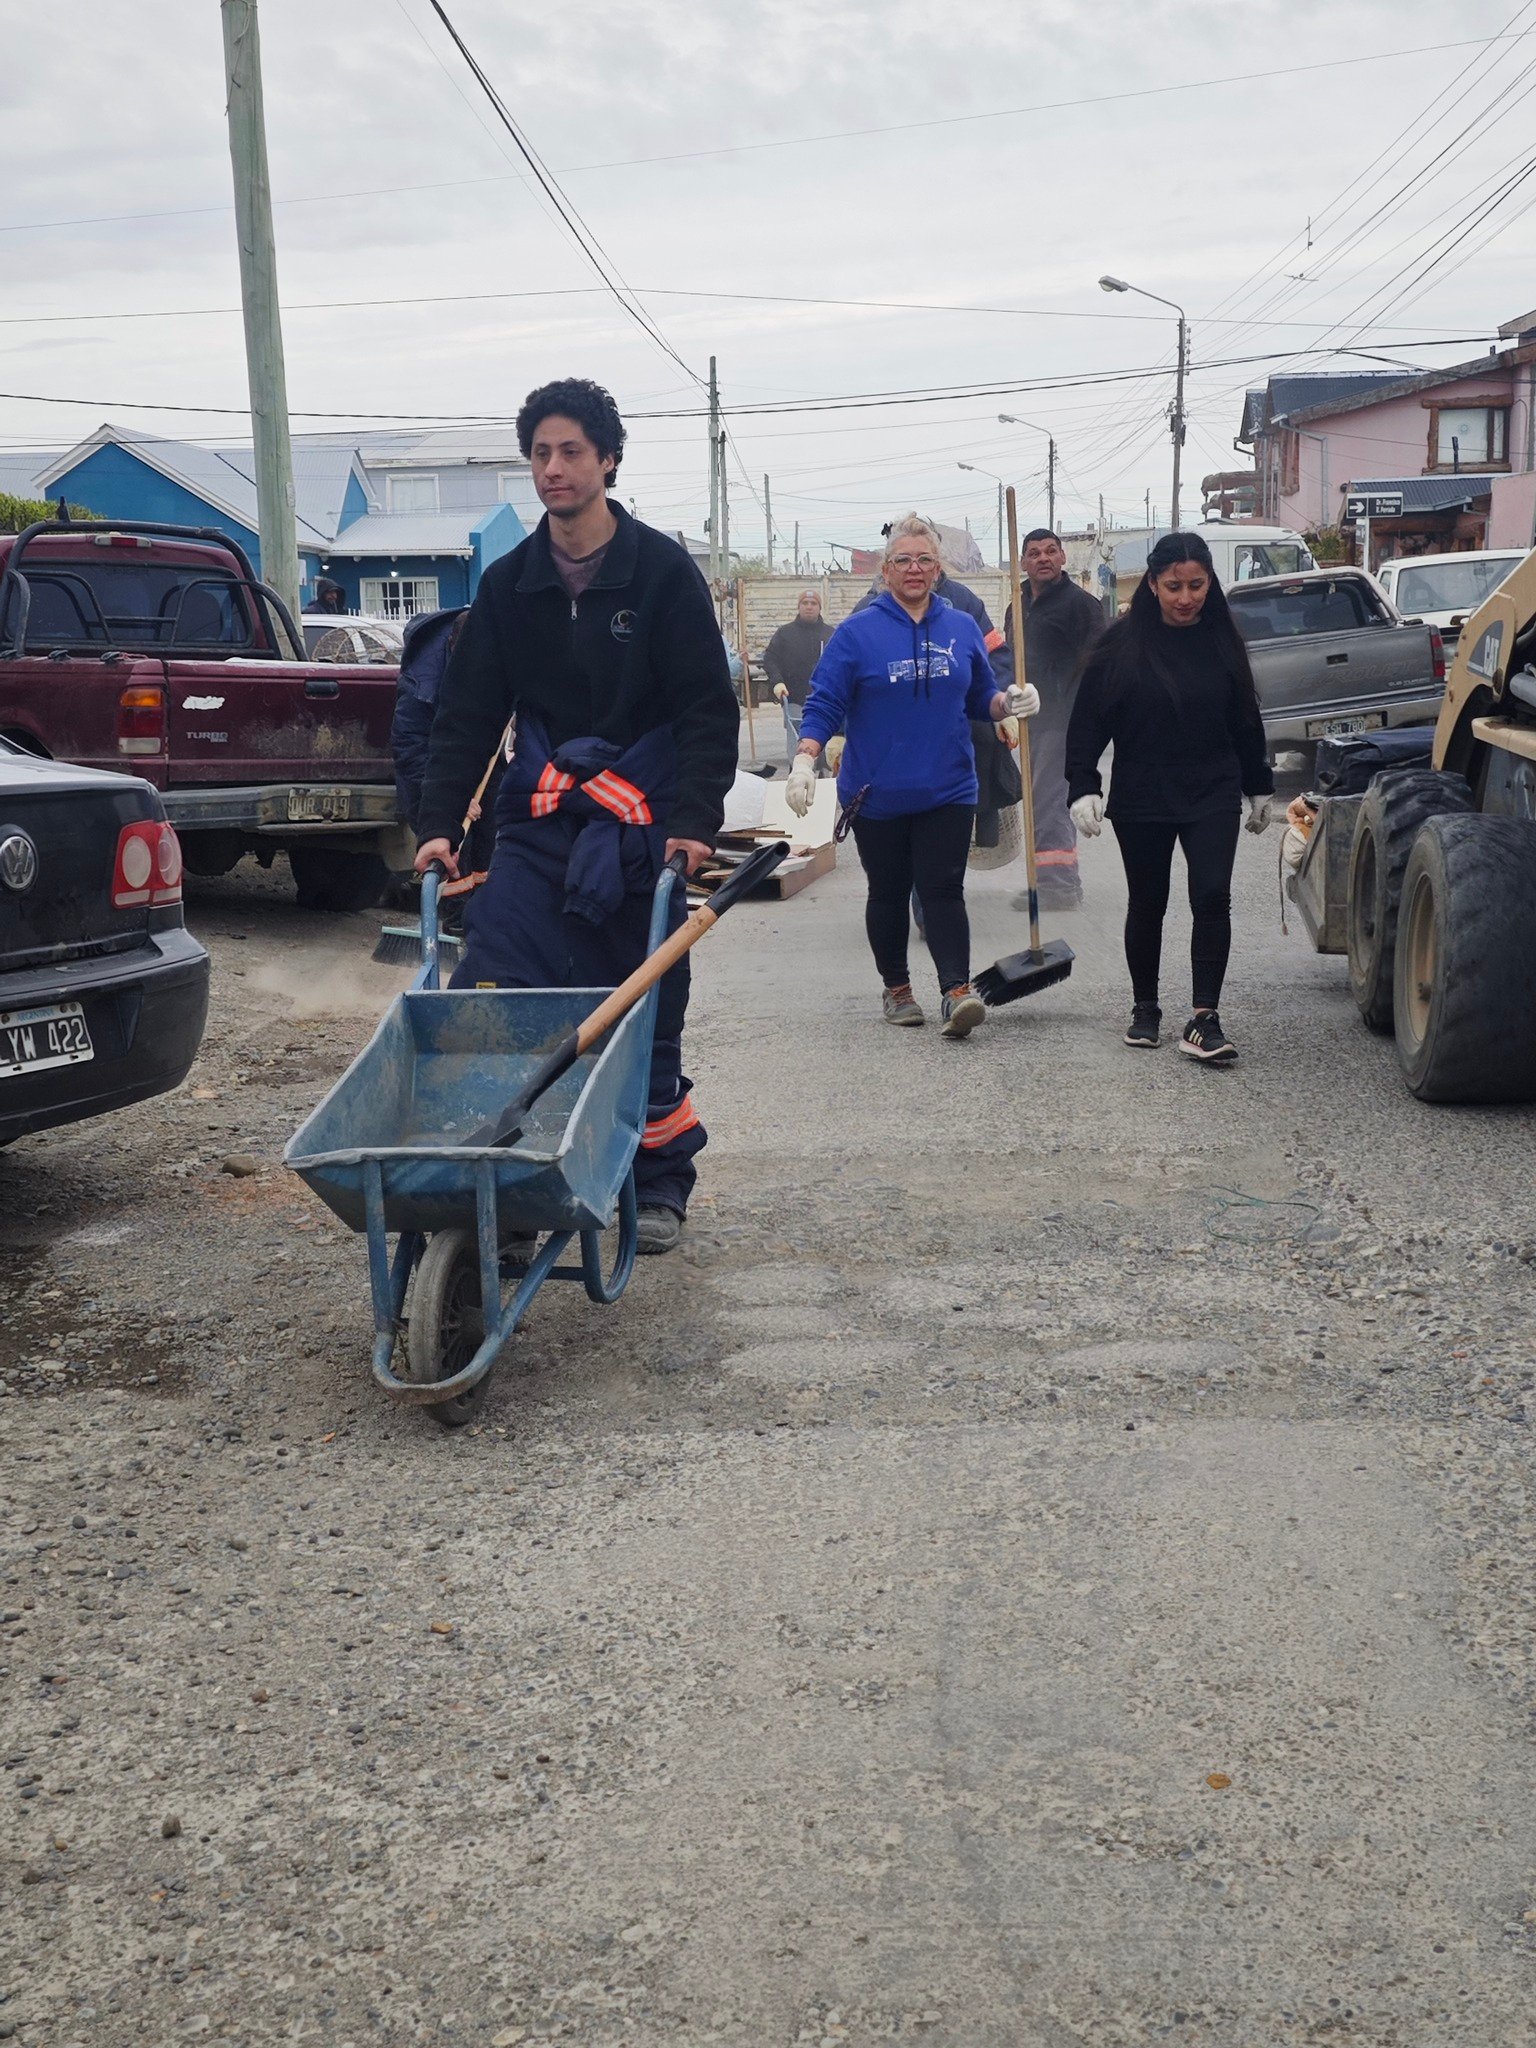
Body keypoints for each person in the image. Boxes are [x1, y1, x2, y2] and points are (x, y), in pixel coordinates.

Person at [413, 377, 739, 1254]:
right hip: (541, 814)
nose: (552, 469)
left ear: (608, 460)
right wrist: (439, 823)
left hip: (643, 819)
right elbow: (469, 714)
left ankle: (659, 1177)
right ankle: (516, 1179)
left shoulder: (663, 573)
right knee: (502, 987)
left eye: (569, 452)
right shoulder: (510, 584)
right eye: (540, 454)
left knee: (644, 1004)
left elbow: (708, 710)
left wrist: (695, 821)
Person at [785, 514, 1038, 1039]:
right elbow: (826, 703)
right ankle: (897, 989)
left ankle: (956, 992)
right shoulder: (856, 633)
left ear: (938, 567)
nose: (915, 569)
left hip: (948, 786)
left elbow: (980, 698)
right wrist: (805, 760)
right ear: (886, 570)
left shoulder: (961, 627)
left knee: (945, 888)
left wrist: (1007, 703)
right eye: (903, 560)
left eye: (925, 559)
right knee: (889, 890)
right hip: (877, 792)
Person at [1064, 530, 1273, 1066]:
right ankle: (1145, 1007)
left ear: (1210, 583)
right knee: (1148, 900)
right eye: (1174, 586)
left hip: (1212, 788)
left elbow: (1244, 717)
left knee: (1211, 896)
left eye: (1196, 585)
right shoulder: (1119, 646)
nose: (1186, 598)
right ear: (1153, 584)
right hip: (1143, 792)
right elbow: (1088, 722)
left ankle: (1204, 1017)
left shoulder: (1223, 639)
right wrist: (1083, 784)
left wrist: (1259, 783)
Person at [1001, 528, 1104, 911]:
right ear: (1023, 563)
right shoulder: (1018, 604)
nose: (1043, 558)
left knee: (1049, 803)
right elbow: (1010, 660)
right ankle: (1049, 883)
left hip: (1064, 721)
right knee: (1037, 804)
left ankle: (1059, 888)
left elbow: (1098, 667)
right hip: (1028, 721)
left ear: (1062, 558)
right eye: (1034, 553)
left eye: (1050, 551)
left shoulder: (1083, 606)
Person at [764, 591, 834, 764]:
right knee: (798, 748)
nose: (809, 607)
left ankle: (824, 777)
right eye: (805, 603)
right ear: (799, 606)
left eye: (813, 603)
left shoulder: (831, 634)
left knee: (826, 751)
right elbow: (770, 659)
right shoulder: (785, 633)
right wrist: (777, 682)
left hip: (824, 700)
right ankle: (795, 776)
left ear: (819, 608)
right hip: (794, 698)